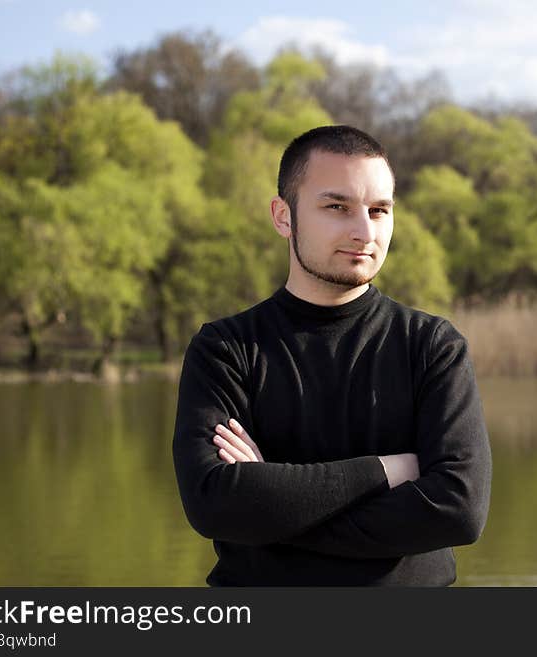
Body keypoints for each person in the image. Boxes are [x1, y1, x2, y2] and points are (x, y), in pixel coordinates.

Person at [172, 125, 492, 586]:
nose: (364, 231)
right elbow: (214, 504)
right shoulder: (225, 350)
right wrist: (386, 470)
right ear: (284, 217)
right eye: (336, 207)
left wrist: (272, 514)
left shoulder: (432, 347)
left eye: (379, 211)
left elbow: (459, 511)